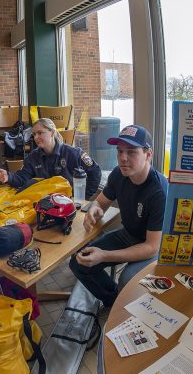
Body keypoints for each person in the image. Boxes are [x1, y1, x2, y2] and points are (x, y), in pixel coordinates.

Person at [69, 125, 167, 307]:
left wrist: (104, 255)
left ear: (148, 154)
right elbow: (101, 202)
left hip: (151, 245)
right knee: (78, 262)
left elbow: (152, 247)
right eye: (120, 151)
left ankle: (123, 300)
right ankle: (115, 303)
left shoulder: (158, 191)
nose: (123, 158)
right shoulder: (118, 174)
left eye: (131, 152)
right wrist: (93, 209)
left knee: (127, 281)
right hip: (128, 234)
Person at [0, 118, 101, 199]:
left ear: (52, 133)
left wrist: (83, 197)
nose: (36, 137)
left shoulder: (72, 153)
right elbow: (23, 178)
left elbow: (95, 172)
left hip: (69, 203)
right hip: (45, 204)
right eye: (34, 134)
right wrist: (9, 177)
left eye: (40, 133)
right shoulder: (33, 157)